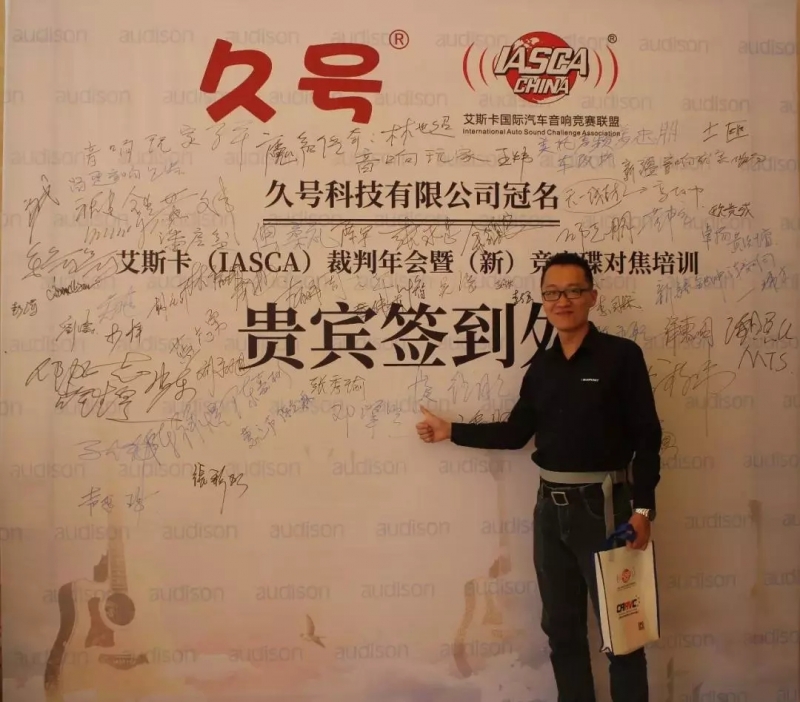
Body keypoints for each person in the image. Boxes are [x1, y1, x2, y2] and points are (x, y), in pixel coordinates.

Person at [416, 252, 662, 702]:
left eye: (572, 291)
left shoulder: (621, 357)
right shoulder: (543, 367)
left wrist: (643, 509)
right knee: (562, 632)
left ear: (592, 297)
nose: (561, 301)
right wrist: (451, 430)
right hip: (550, 509)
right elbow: (516, 434)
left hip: (607, 509)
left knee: (624, 633)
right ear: (543, 300)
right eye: (552, 293)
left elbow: (648, 437)